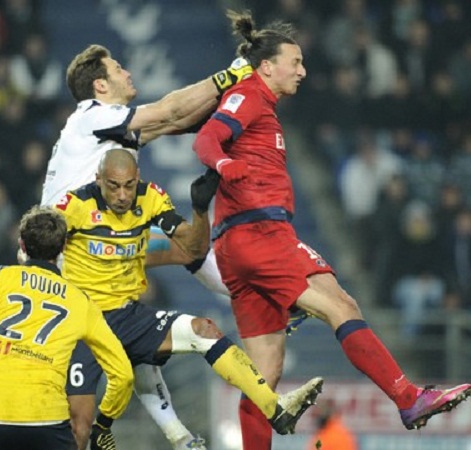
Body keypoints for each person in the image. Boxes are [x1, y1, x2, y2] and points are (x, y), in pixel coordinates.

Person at [192, 10, 471, 450]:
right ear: (268, 66)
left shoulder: (262, 106)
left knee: (263, 377)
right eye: (296, 62)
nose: (303, 71)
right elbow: (206, 139)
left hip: (239, 243)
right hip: (260, 233)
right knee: (342, 304)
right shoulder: (247, 95)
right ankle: (408, 397)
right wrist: (225, 164)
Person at [40, 43, 252, 449]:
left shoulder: (107, 132)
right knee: (78, 418)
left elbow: (176, 121)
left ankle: (180, 436)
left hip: (93, 245)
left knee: (185, 251)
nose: (128, 72)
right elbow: (170, 110)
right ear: (100, 84)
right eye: (118, 68)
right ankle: (253, 297)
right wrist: (232, 74)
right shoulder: (92, 116)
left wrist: (228, 97)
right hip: (71, 257)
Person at [54, 148, 324, 450]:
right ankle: (180, 440)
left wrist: (198, 209)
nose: (121, 195)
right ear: (98, 180)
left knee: (204, 330)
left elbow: (194, 249)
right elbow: (33, 245)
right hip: (83, 324)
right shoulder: (74, 205)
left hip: (128, 316)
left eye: (128, 185)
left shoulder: (151, 197)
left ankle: (275, 408)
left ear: (138, 179)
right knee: (79, 429)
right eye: (113, 186)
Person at [0, 207, 133, 450]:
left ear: (22, 245)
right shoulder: (81, 302)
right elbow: (123, 375)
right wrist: (105, 421)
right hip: (46, 421)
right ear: (64, 246)